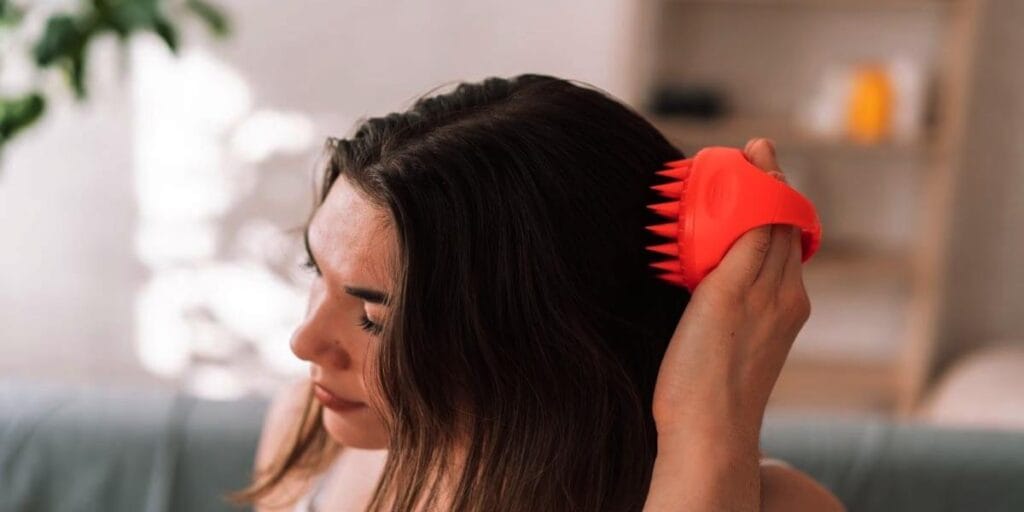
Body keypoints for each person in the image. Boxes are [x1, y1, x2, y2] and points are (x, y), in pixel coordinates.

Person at [232, 74, 846, 511]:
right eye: (313, 270)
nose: (305, 342)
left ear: (543, 340)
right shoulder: (308, 433)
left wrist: (705, 429)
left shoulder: (775, 505)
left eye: (373, 316)